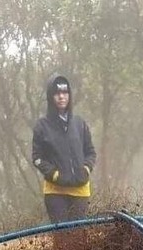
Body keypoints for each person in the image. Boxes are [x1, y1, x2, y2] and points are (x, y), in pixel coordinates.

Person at [32, 75, 96, 223]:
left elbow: (90, 152)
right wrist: (54, 174)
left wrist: (86, 168)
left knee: (78, 234)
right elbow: (37, 157)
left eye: (65, 92)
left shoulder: (79, 123)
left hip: (81, 190)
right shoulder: (42, 126)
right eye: (57, 93)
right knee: (61, 235)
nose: (61, 97)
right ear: (50, 97)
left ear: (69, 95)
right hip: (55, 192)